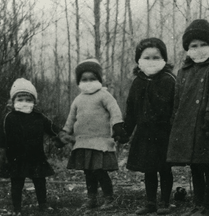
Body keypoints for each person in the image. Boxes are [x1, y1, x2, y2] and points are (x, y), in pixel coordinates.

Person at [167, 19, 209, 216]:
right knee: (194, 168)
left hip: (208, 127)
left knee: (208, 166)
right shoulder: (183, 71)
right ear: (187, 48)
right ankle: (198, 203)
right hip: (187, 128)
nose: (198, 49)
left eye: (203, 44)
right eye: (194, 45)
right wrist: (175, 121)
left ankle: (207, 206)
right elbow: (178, 99)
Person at [60, 59, 127, 210]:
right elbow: (70, 119)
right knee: (88, 173)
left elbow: (114, 110)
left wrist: (117, 126)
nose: (88, 82)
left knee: (99, 171)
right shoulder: (78, 99)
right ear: (79, 81)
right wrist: (64, 133)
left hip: (100, 142)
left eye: (92, 79)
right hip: (83, 142)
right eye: (84, 79)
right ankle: (92, 199)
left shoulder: (104, 95)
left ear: (99, 80)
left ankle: (109, 198)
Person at [123, 38, 175, 215]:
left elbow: (176, 109)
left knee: (164, 169)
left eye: (156, 57)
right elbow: (131, 110)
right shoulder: (138, 82)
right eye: (147, 57)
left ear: (164, 59)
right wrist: (126, 131)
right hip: (144, 133)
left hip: (164, 133)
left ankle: (165, 202)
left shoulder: (169, 80)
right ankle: (150, 202)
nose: (151, 62)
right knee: (149, 170)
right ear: (139, 59)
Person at [0, 78, 64, 216]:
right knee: (17, 184)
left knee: (40, 182)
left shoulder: (38, 117)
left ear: (34, 102)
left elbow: (52, 128)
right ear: (13, 101)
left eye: (28, 100)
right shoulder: (9, 117)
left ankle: (43, 205)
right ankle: (17, 208)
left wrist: (62, 135)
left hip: (36, 156)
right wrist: (3, 154)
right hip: (16, 158)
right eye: (20, 99)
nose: (24, 102)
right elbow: (2, 137)